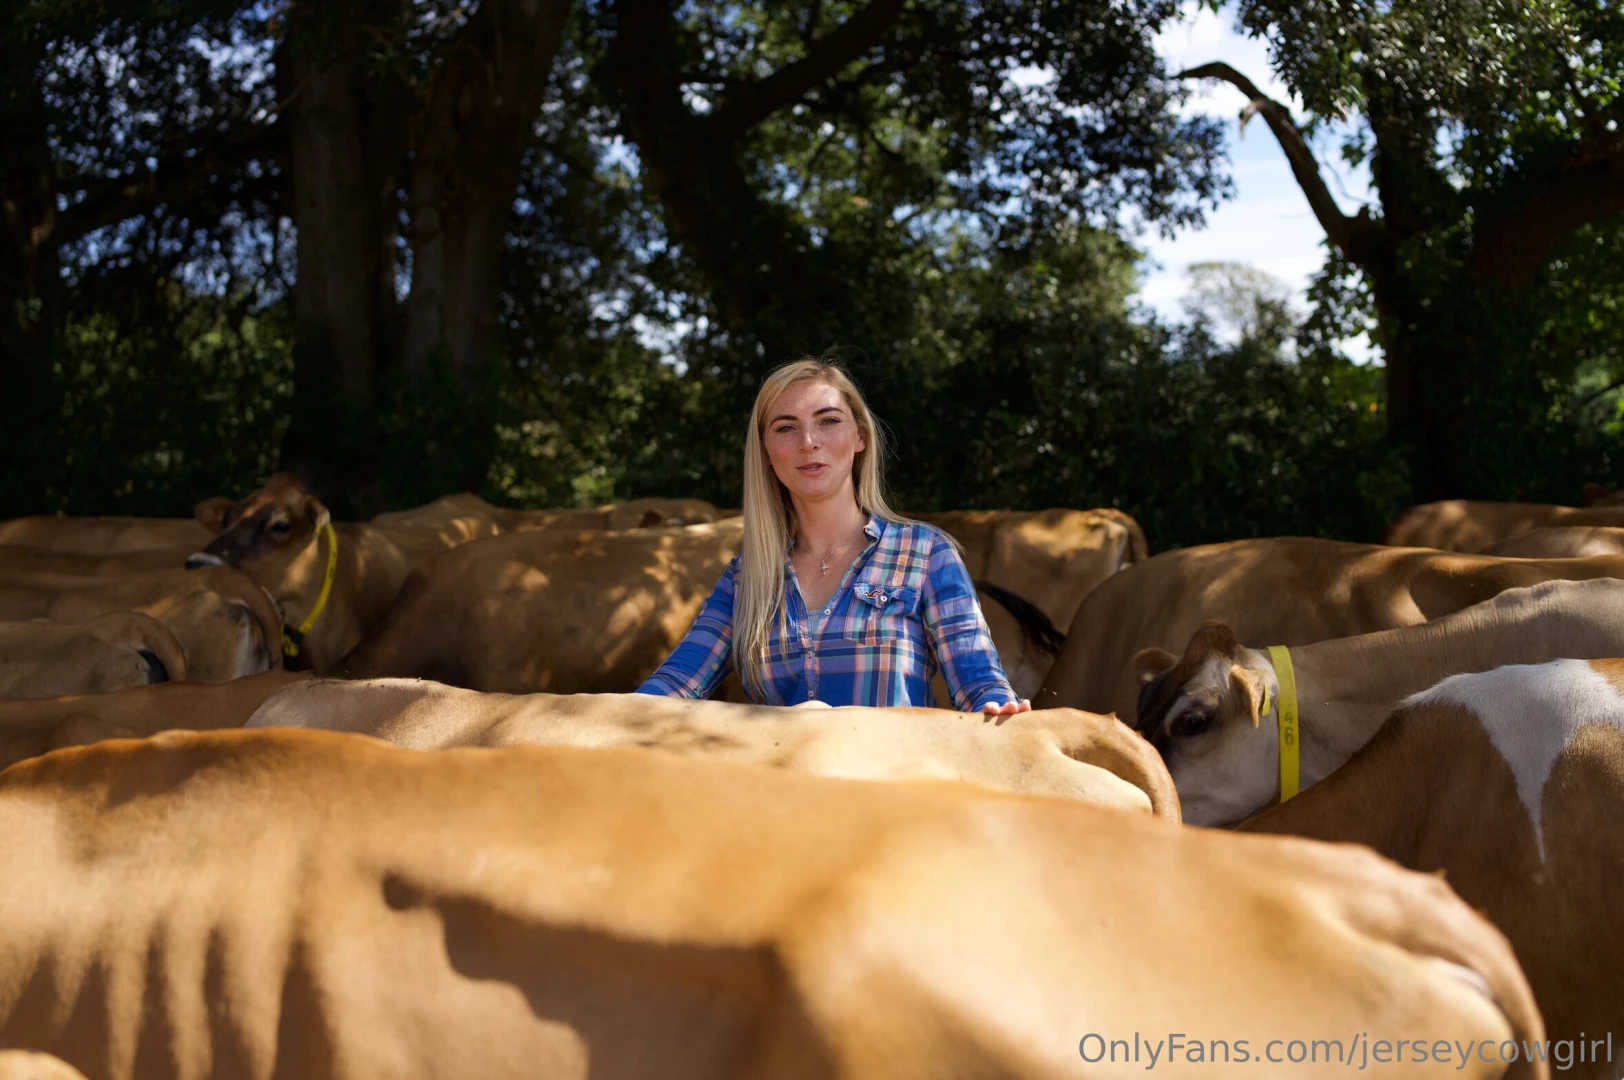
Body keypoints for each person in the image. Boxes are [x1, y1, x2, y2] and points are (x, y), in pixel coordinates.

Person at [637, 357, 1032, 716]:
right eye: (786, 427)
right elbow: (675, 684)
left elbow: (978, 682)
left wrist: (1000, 707)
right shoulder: (746, 578)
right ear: (766, 452)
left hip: (896, 773)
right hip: (779, 774)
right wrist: (609, 714)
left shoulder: (926, 553)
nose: (809, 442)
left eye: (828, 421)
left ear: (860, 437)